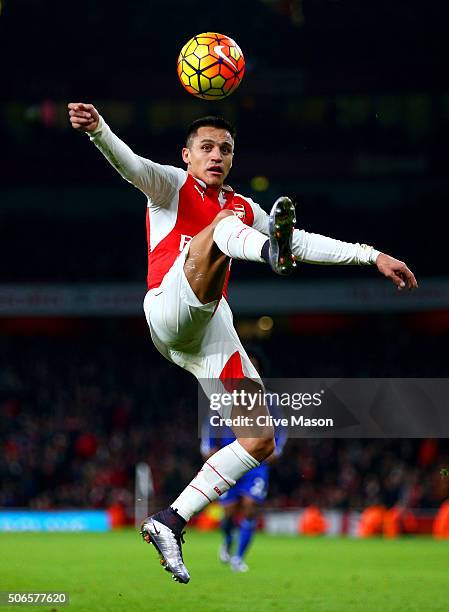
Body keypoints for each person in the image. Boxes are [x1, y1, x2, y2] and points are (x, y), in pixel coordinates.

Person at [68, 102, 418, 584]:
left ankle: (171, 519)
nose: (216, 155)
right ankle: (266, 251)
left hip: (208, 330)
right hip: (169, 306)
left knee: (259, 438)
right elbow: (129, 164)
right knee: (226, 226)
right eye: (206, 148)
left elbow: (304, 240)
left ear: (233, 159)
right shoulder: (169, 185)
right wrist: (98, 129)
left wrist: (371, 255)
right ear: (187, 155)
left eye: (225, 149)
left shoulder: (241, 206)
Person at [200, 348, 287, 573]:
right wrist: (208, 447)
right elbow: (211, 424)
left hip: (257, 463)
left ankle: (238, 558)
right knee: (228, 512)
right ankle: (228, 539)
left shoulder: (268, 398)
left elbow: (281, 427)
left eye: (254, 366)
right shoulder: (225, 395)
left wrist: (278, 449)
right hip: (231, 460)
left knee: (250, 508)